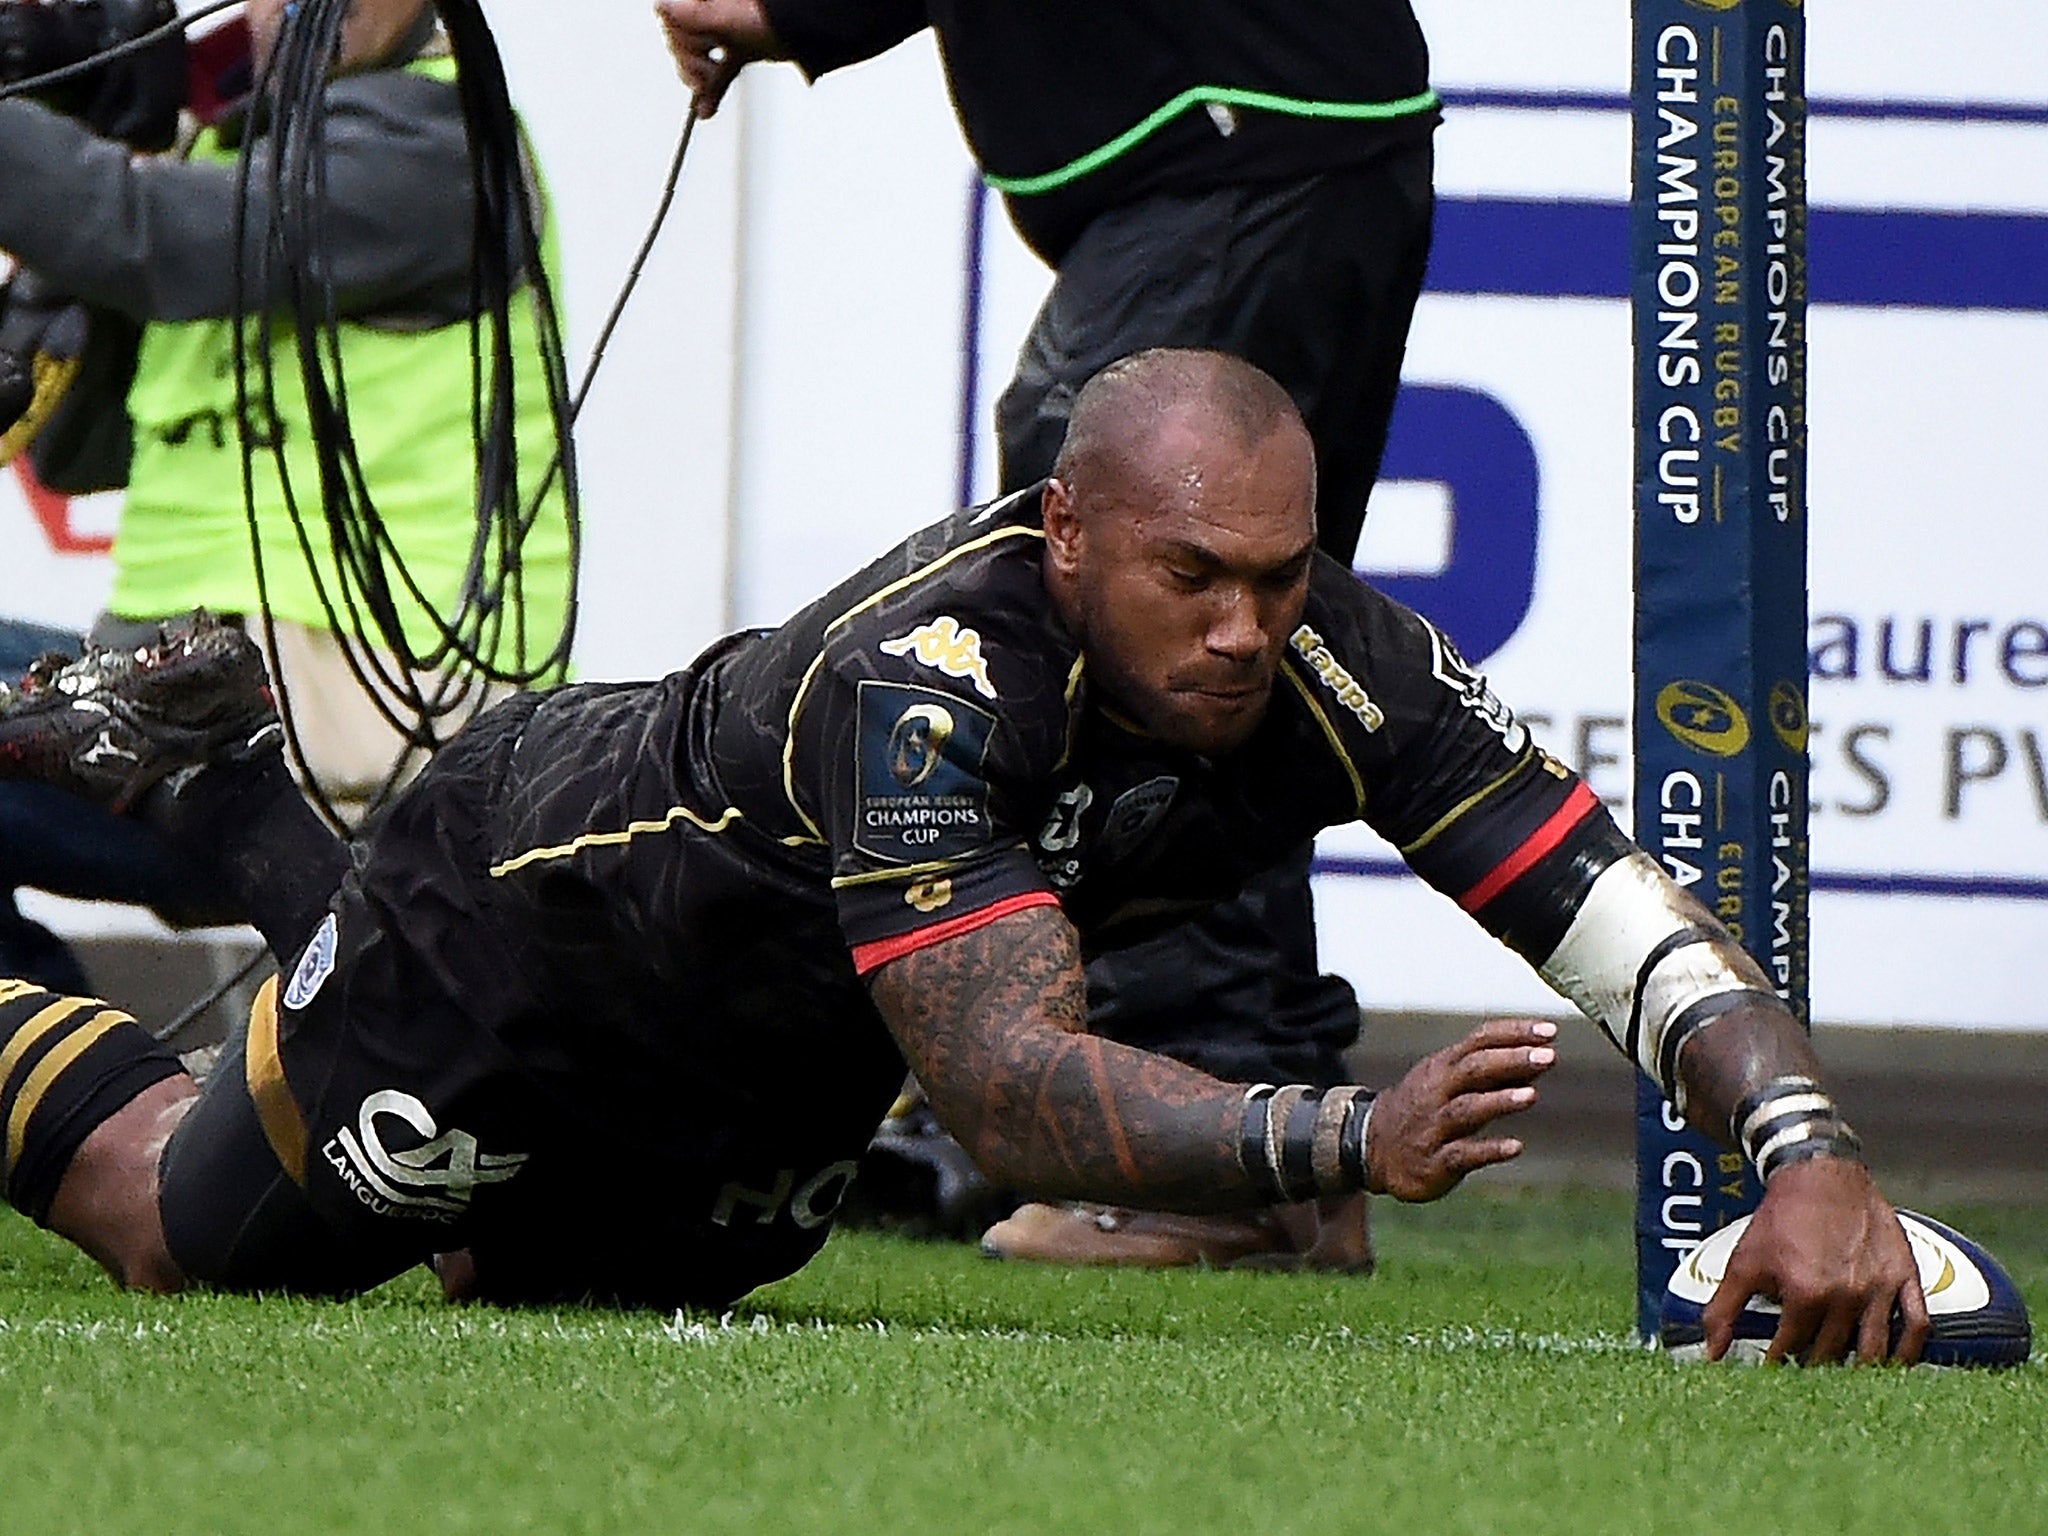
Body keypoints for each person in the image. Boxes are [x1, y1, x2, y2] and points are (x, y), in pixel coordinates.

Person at [0, 351, 1926, 1364]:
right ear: (1065, 531)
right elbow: (1006, 1096)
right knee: (189, 1237)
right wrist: (1344, 1136)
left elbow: (1613, 919)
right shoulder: (920, 680)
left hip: (764, 1051)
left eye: (1276, 574)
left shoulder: (1342, 663)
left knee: (534, 1300)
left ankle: (234, 788)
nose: (1245, 630)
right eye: (1192, 578)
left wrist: (1809, 1154)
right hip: (517, 926)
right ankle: (233, 789)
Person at [656, 0, 1439, 1267]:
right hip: (1280, 136)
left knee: (1149, 609)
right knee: (1242, 642)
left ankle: (1209, 1159)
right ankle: (1285, 1144)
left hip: (1235, 140)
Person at [0, 0, 571, 992]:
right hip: (196, 691)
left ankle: (83, 1116)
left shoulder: (435, 142)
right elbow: (77, 447)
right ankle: (79, 1097)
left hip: (369, 736)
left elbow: (154, 241)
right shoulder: (234, 150)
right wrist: (92, 126)